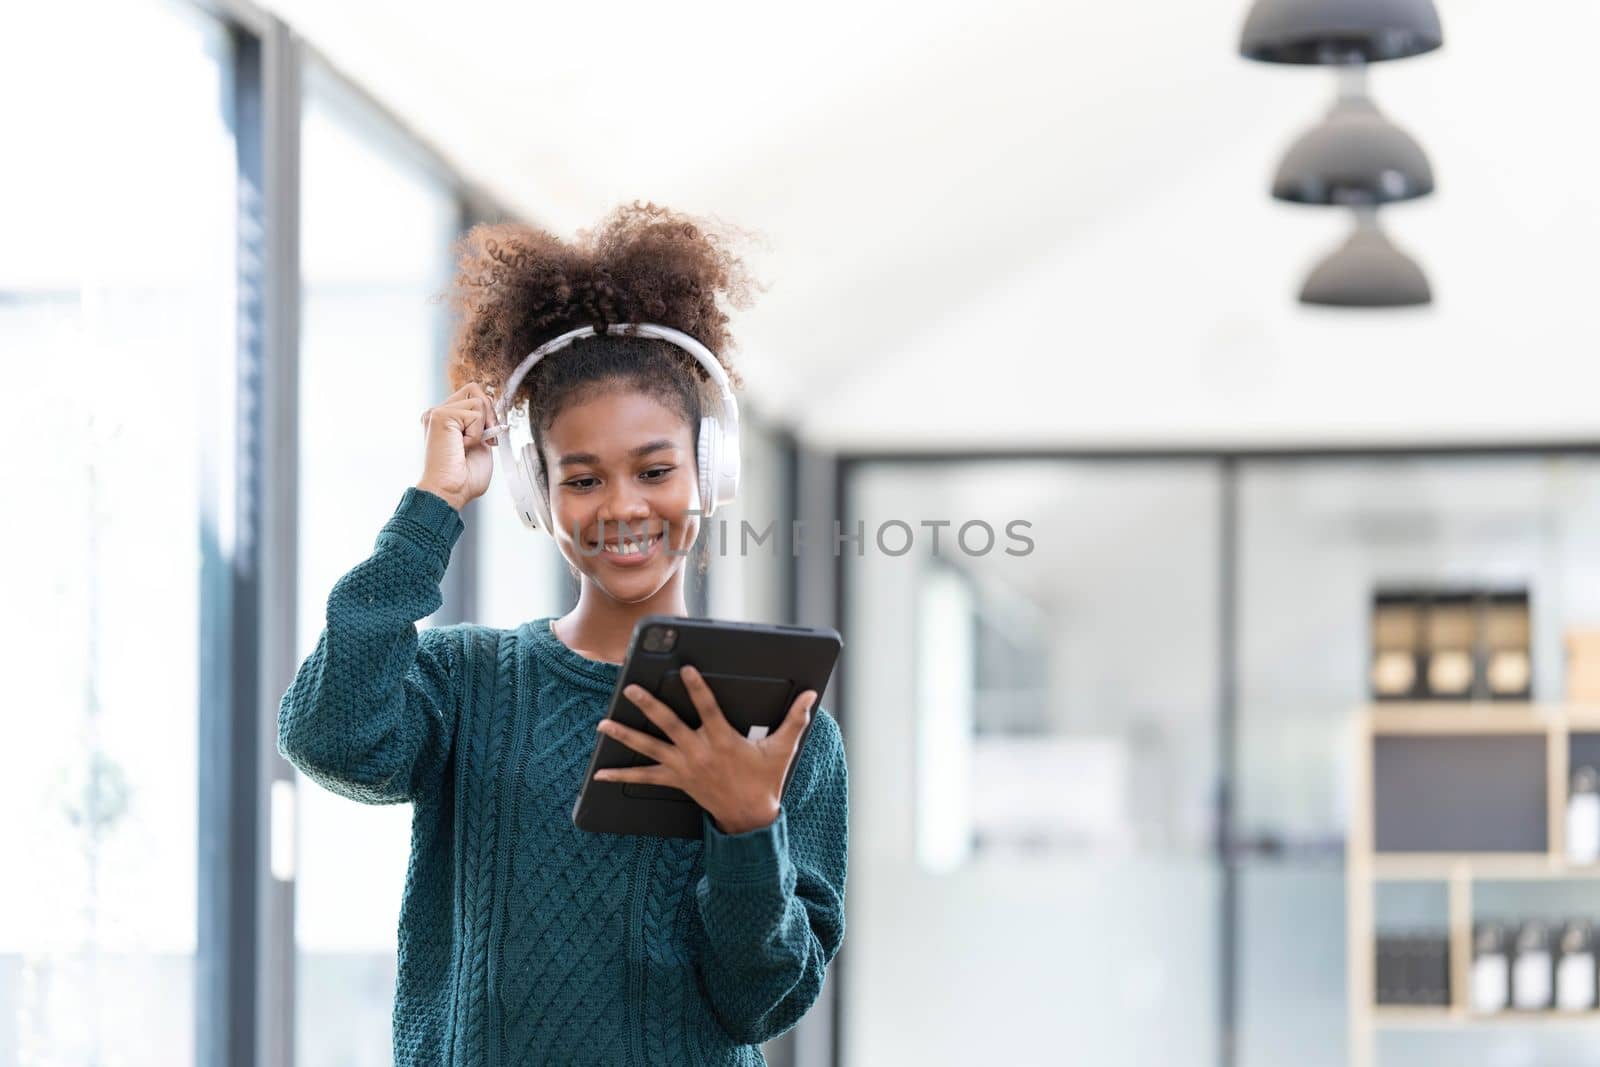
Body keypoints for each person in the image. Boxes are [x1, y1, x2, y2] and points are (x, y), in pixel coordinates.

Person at [277, 202, 848, 1066]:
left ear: (710, 469)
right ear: (535, 494)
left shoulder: (784, 724)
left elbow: (760, 1000)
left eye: (655, 469)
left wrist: (744, 823)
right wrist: (429, 512)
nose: (622, 506)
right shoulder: (468, 680)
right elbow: (330, 736)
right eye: (582, 478)